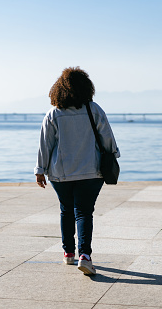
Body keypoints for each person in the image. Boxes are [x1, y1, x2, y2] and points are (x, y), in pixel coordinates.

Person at [34, 66, 120, 275]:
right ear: (86, 88)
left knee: (66, 210)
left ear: (58, 90)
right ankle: (85, 256)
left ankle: (68, 254)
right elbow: (107, 137)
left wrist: (40, 170)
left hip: (60, 172)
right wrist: (113, 155)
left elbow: (45, 144)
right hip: (91, 171)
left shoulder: (54, 113)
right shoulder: (94, 109)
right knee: (83, 212)